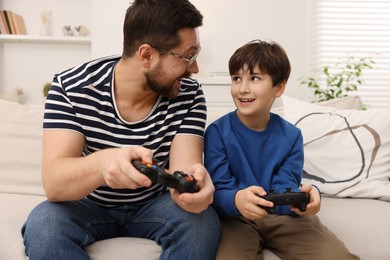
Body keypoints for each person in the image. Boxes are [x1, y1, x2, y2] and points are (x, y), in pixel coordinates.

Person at [21, 0, 220, 259]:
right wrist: (104, 163)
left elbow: (183, 169)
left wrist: (191, 190)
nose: (194, 68)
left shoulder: (189, 94)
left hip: (155, 205)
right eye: (187, 56)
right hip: (88, 204)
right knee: (44, 223)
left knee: (203, 221)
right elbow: (54, 183)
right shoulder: (71, 87)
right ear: (147, 55)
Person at [204, 39, 360, 260]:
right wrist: (237, 199)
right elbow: (217, 190)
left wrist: (304, 198)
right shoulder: (217, 133)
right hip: (235, 219)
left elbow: (286, 184)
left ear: (278, 87)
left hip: (281, 217)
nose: (242, 88)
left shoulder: (291, 136)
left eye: (254, 78)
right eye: (236, 78)